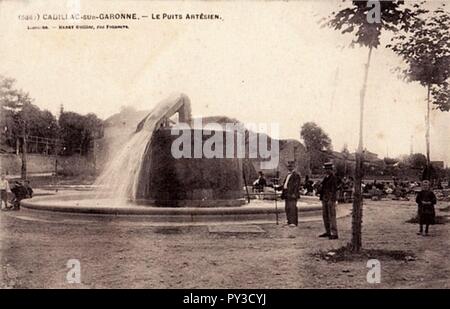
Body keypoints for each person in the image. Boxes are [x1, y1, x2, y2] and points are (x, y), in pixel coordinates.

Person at [276, 161, 301, 227]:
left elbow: (297, 186)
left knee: (292, 208)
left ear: (294, 167)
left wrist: (294, 193)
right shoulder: (288, 175)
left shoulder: (296, 175)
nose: (289, 167)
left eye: (291, 166)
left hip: (292, 194)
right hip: (287, 193)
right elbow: (285, 184)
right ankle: (289, 221)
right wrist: (278, 188)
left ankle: (293, 222)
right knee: (287, 208)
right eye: (289, 166)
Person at [318, 162, 339, 239]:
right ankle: (328, 232)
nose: (327, 170)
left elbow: (334, 190)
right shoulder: (326, 178)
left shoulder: (333, 178)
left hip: (330, 198)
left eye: (328, 169)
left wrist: (332, 199)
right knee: (325, 216)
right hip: (324, 198)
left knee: (332, 216)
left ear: (331, 169)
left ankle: (334, 233)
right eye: (326, 169)